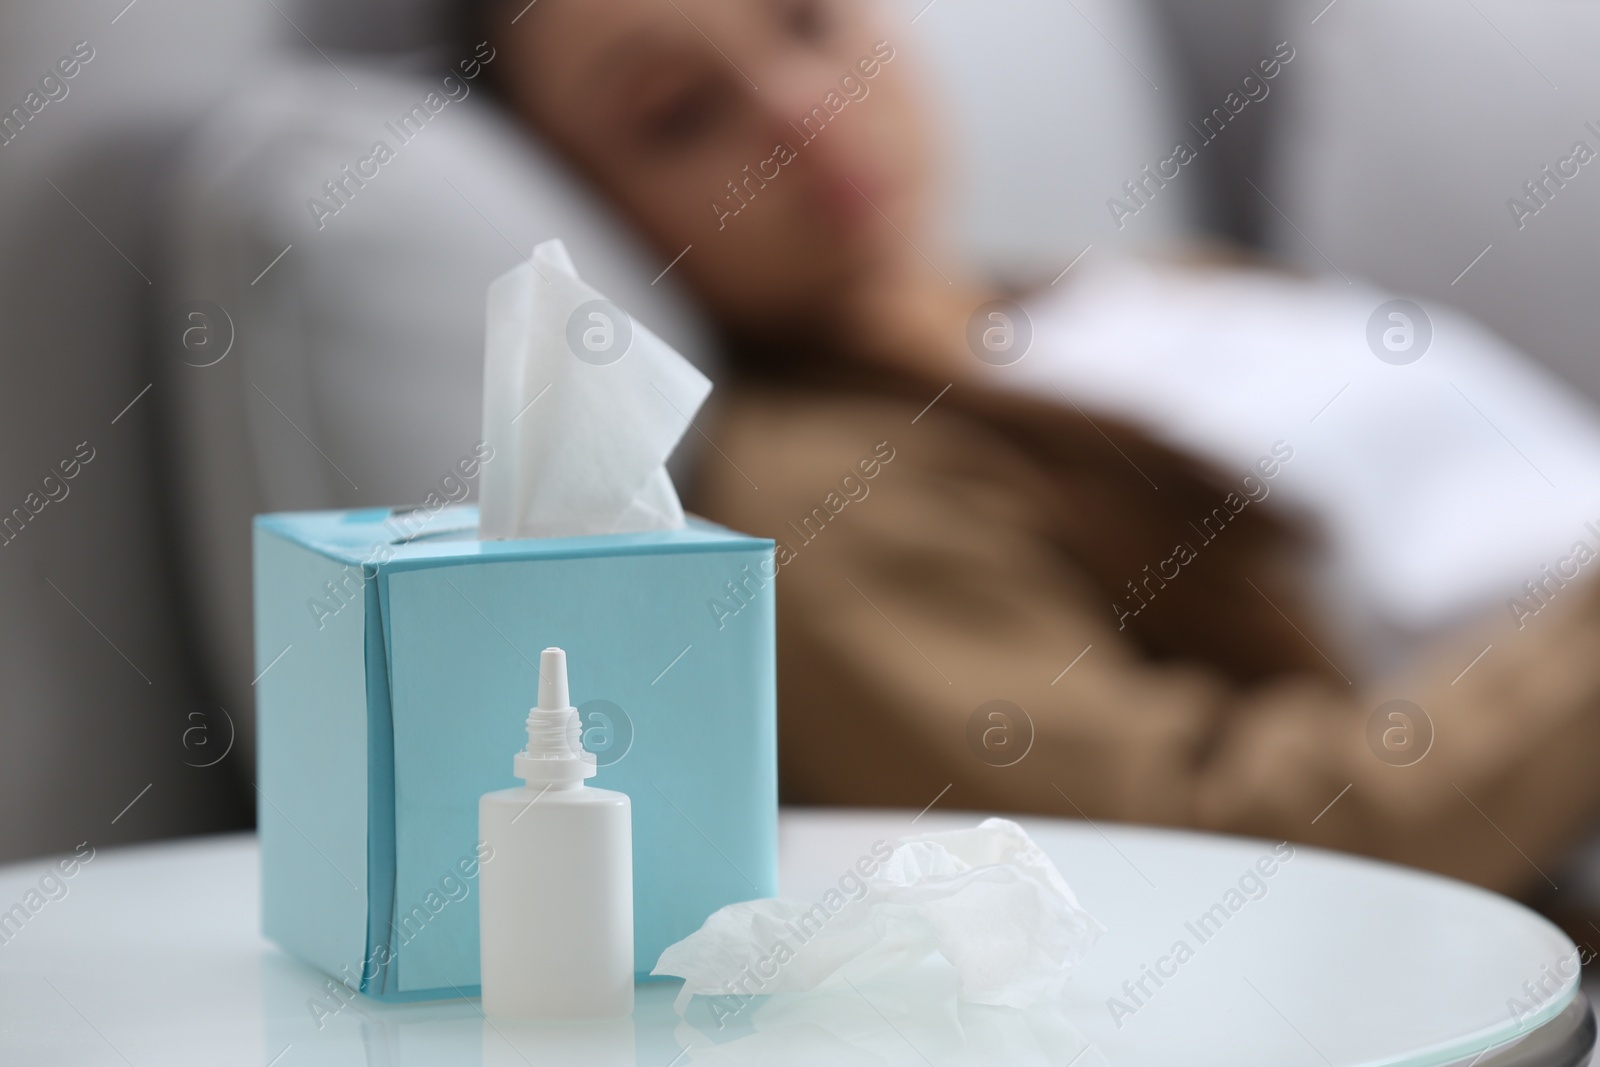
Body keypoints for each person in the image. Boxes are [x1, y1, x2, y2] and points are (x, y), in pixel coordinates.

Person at [472, 0, 1600, 899]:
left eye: (808, 21)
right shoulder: (825, 495)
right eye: (679, 114)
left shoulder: (1134, 287)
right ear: (595, 203)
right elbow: (1201, 845)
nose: (803, 115)